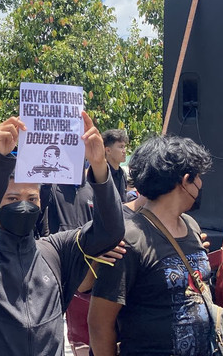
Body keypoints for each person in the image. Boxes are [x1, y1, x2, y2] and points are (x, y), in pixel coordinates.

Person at [0, 112, 125, 356]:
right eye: (12, 198)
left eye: (31, 198)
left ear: (41, 204)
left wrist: (98, 165)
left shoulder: (55, 251)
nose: (23, 205)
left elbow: (110, 231)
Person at [88, 135, 213, 356]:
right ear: (185, 181)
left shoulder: (192, 226)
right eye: (199, 177)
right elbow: (99, 324)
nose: (202, 184)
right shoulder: (130, 238)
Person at [101, 129, 129, 202]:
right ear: (108, 150)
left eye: (124, 147)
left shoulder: (122, 174)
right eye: (120, 147)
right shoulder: (101, 174)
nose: (124, 151)